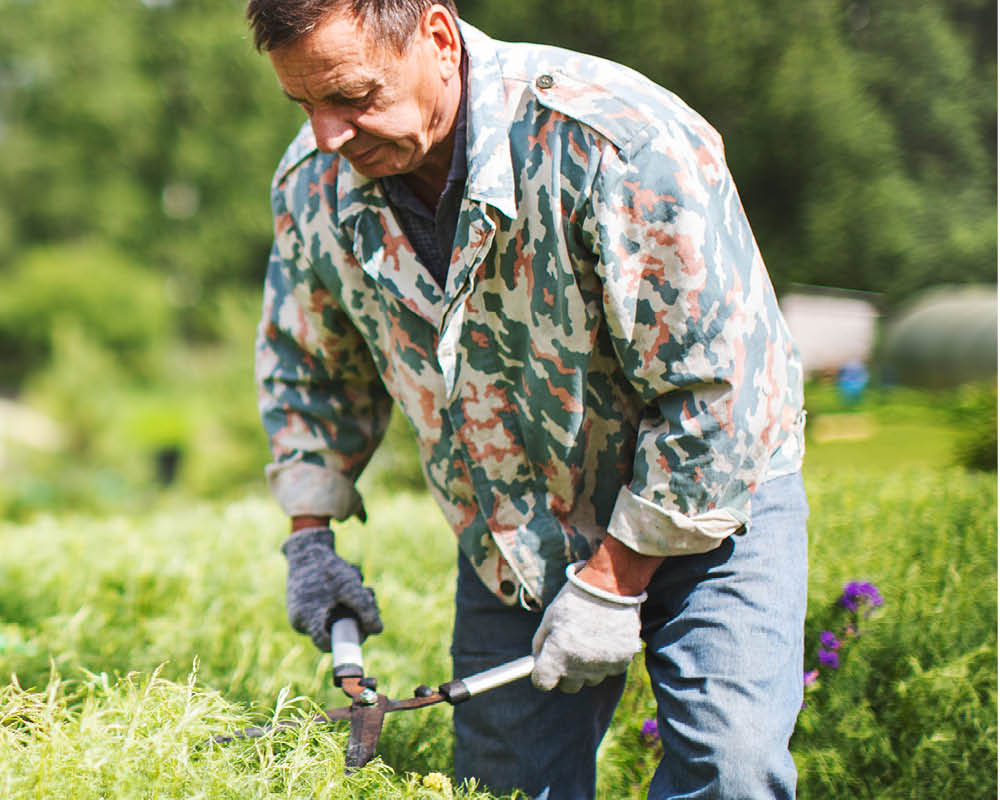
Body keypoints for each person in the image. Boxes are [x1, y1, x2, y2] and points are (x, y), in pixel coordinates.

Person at [247, 1, 810, 797]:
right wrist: (310, 540)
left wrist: (614, 583)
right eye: (305, 105)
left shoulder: (613, 143)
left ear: (438, 40)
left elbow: (717, 393)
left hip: (710, 507)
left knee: (731, 769)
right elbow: (311, 367)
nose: (329, 133)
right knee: (507, 790)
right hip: (514, 532)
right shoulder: (316, 185)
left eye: (353, 97)